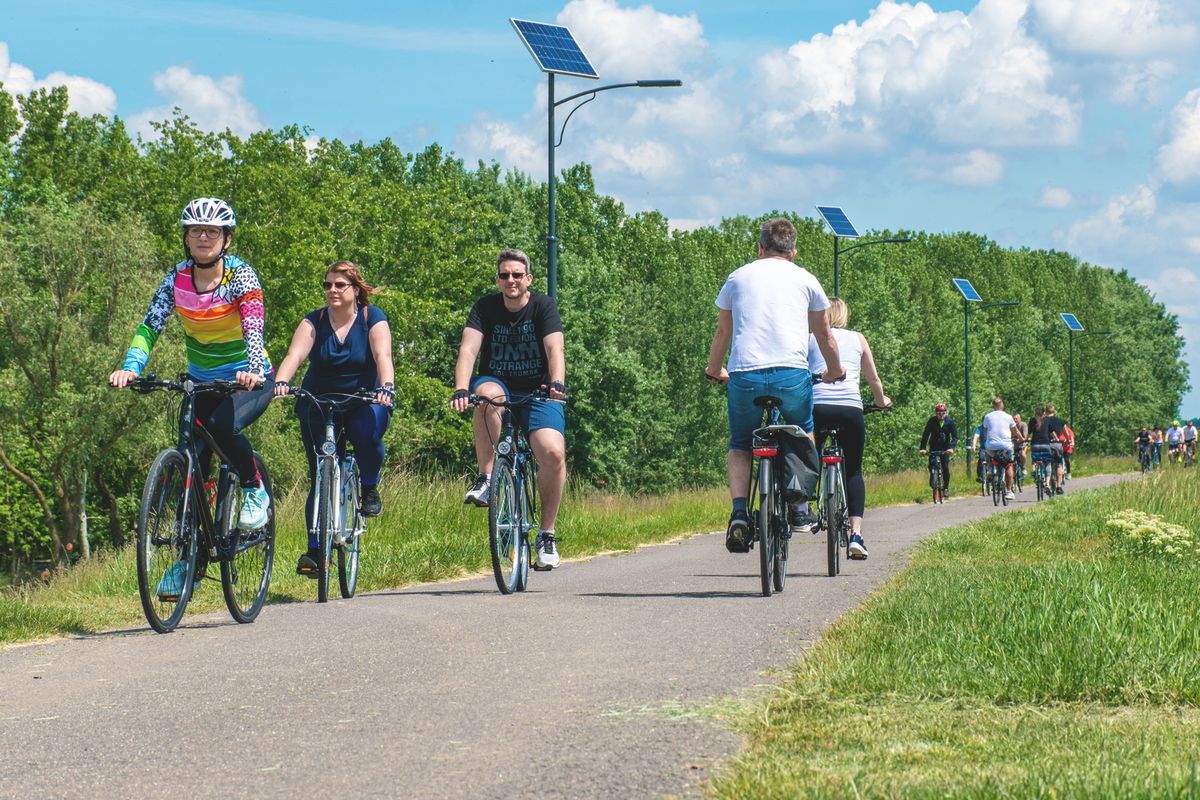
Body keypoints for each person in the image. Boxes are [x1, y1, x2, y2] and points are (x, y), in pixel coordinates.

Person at [109, 197, 274, 597]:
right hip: (200, 383)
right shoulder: (177, 278)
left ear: (226, 239)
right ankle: (188, 563)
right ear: (186, 238)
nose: (203, 237)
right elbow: (151, 325)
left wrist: (252, 369)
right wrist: (131, 366)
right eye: (195, 230)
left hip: (249, 380)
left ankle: (254, 488)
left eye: (212, 231)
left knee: (222, 425)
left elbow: (254, 328)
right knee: (191, 464)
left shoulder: (241, 278)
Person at [705, 217, 843, 553]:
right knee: (802, 428)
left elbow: (723, 332)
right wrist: (835, 370)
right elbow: (824, 334)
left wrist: (714, 369)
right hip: (791, 375)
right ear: (793, 251)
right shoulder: (807, 280)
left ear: (760, 248)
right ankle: (798, 506)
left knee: (740, 442)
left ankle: (739, 513)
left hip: (745, 376)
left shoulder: (737, 277)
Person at [272, 261, 395, 577]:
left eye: (340, 285)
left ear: (355, 289)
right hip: (319, 401)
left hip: (364, 399)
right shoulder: (314, 321)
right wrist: (282, 382)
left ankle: (368, 486)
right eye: (328, 285)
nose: (332, 291)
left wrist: (386, 387)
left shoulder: (372, 318)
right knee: (320, 472)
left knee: (367, 435)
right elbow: (294, 356)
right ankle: (315, 551)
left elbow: (383, 357)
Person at [450, 248, 567, 570]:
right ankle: (486, 477)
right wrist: (462, 388)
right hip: (497, 382)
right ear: (498, 279)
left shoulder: (543, 306)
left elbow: (555, 348)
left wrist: (557, 383)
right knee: (487, 397)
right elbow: (468, 348)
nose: (511, 280)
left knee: (553, 453)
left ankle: (546, 535)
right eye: (504, 275)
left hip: (539, 390)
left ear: (528, 278)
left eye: (517, 275)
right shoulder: (485, 308)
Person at [807, 299, 891, 559]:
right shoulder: (858, 339)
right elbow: (873, 378)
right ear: (844, 315)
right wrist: (881, 401)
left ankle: (803, 509)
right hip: (850, 410)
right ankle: (856, 535)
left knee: (809, 460)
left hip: (817, 407)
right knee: (853, 469)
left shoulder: (810, 338)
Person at [981, 397, 1018, 500]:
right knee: (1009, 466)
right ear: (1002, 405)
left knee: (988, 451)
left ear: (993, 406)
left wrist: (987, 440)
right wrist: (1021, 439)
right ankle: (1009, 491)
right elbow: (1015, 431)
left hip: (991, 446)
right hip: (1006, 446)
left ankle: (989, 469)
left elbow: (985, 432)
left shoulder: (987, 417)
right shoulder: (1009, 417)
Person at [919, 403, 957, 498]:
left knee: (945, 467)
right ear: (936, 413)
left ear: (946, 413)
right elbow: (926, 435)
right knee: (932, 463)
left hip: (945, 448)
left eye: (943, 412)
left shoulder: (950, 422)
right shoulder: (932, 421)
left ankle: (946, 488)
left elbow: (955, 437)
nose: (941, 415)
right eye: (939, 413)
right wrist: (922, 448)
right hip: (934, 446)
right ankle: (934, 479)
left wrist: (951, 447)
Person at [1030, 403, 1068, 493]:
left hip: (1035, 444)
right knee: (1056, 463)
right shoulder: (1058, 420)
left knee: (1035, 458)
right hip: (1053, 444)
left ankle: (1035, 472)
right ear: (1054, 411)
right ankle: (1057, 485)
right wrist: (1065, 439)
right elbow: (1059, 431)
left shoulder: (1033, 420)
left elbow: (1029, 432)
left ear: (1046, 412)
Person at [1012, 412, 1029, 478]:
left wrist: (1021, 439)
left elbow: (1024, 436)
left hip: (1022, 445)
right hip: (1014, 445)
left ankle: (1023, 467)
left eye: (1016, 418)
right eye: (1014, 419)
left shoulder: (1023, 425)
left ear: (1020, 418)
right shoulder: (1011, 426)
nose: (1015, 420)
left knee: (1022, 454)